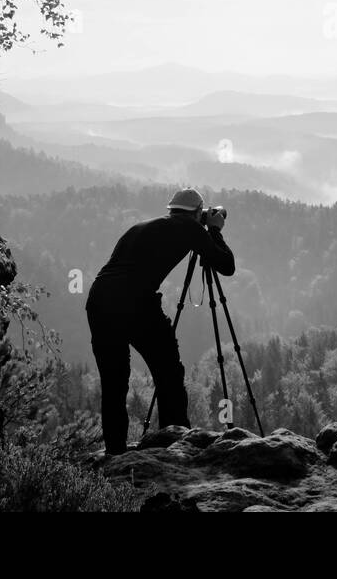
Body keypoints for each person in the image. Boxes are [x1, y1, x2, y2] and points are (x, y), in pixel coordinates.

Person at [86, 187, 235, 456]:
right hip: (135, 301)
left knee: (114, 382)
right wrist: (214, 229)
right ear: (196, 214)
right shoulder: (190, 229)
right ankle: (175, 444)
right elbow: (226, 265)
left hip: (99, 299)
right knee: (169, 373)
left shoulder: (141, 227)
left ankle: (115, 454)